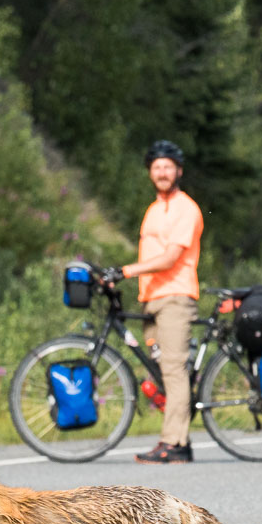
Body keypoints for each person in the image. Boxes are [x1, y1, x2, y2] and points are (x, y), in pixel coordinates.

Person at [104, 140, 203, 464]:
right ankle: (177, 435)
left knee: (173, 371)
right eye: (156, 167)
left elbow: (171, 257)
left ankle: (175, 443)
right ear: (151, 172)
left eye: (167, 166)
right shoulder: (153, 209)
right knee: (162, 372)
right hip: (152, 300)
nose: (162, 172)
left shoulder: (186, 208)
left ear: (178, 171)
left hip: (176, 297)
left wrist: (125, 271)